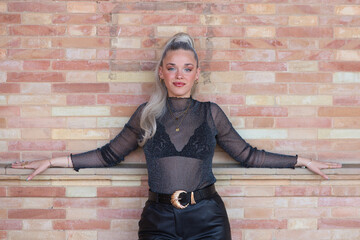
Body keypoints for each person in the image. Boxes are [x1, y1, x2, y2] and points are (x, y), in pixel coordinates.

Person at [12, 32, 342, 240]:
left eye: (187, 68)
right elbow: (107, 155)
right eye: (172, 67)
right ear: (161, 72)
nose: (179, 75)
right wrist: (52, 160)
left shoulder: (210, 112)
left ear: (197, 74)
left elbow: (249, 155)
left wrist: (304, 161)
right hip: (157, 221)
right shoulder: (147, 113)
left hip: (208, 220)